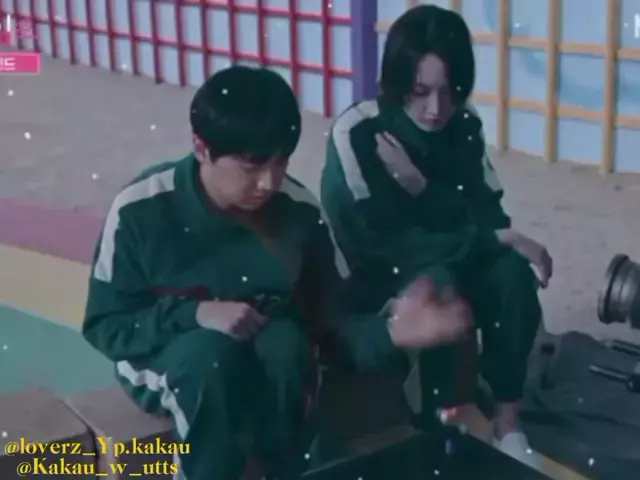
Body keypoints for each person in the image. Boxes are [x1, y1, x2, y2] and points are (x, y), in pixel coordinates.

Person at [82, 65, 471, 480]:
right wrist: (195, 314)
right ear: (202, 148)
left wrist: (391, 332)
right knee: (208, 358)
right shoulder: (140, 209)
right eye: (251, 165)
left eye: (280, 161)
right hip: (170, 357)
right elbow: (105, 325)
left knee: (286, 345)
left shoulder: (299, 212)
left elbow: (329, 327)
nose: (268, 182)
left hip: (263, 353)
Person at [320, 4, 553, 468]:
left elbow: (488, 214)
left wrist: (423, 189)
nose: (435, 109)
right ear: (395, 83)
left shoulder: (462, 126)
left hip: (452, 254)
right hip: (380, 277)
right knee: (440, 282)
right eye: (421, 92)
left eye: (449, 92)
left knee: (511, 273)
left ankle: (508, 422)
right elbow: (377, 245)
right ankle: (438, 431)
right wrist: (487, 238)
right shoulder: (358, 132)